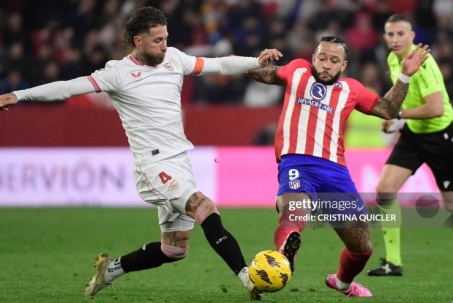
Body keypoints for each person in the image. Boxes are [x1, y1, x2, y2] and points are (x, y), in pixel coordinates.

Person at [0, 6, 283, 300]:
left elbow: (219, 65)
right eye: (157, 40)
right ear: (138, 41)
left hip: (180, 161)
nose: (164, 46)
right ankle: (248, 278)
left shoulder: (174, 59)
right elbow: (68, 88)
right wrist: (20, 95)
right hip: (152, 166)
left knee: (174, 250)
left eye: (165, 38)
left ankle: (110, 270)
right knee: (205, 208)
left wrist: (256, 60)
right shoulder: (117, 73)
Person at [247, 35, 429, 297]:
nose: (326, 65)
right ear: (313, 58)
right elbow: (261, 74)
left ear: (343, 65)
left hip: (335, 173)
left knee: (362, 246)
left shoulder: (351, 90)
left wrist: (405, 77)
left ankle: (342, 282)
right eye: (322, 58)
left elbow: (388, 109)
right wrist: (257, 60)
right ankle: (285, 255)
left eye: (334, 60)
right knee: (295, 212)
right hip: (297, 162)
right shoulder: (297, 70)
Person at [367, 14, 453, 277]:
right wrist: (392, 117)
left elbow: (436, 108)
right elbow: (404, 95)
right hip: (414, 135)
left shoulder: (423, 63)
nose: (395, 39)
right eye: (390, 34)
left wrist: (398, 116)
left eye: (400, 34)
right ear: (384, 37)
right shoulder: (394, 60)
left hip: (442, 137)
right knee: (385, 189)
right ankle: (393, 262)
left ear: (412, 35)